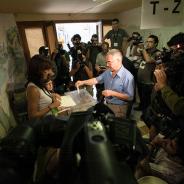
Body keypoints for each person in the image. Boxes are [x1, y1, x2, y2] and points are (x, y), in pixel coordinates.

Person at [75, 49, 134, 118]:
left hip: (119, 108)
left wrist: (112, 93)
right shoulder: (108, 71)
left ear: (118, 61)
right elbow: (96, 80)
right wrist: (83, 82)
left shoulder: (128, 76)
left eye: (109, 62)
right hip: (107, 104)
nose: (107, 65)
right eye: (106, 62)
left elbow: (130, 97)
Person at [26, 54, 61, 120]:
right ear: (37, 71)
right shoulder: (33, 89)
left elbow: (42, 98)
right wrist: (52, 106)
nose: (48, 72)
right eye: (45, 70)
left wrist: (52, 95)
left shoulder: (40, 82)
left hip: (52, 116)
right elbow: (32, 116)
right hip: (45, 124)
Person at [135, 35, 161, 116]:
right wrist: (137, 46)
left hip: (148, 81)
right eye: (147, 41)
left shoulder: (158, 53)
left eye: (151, 42)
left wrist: (143, 49)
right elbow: (136, 54)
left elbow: (148, 60)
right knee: (141, 96)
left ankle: (146, 115)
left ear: (156, 44)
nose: (148, 43)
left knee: (147, 100)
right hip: (140, 79)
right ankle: (141, 107)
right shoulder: (146, 51)